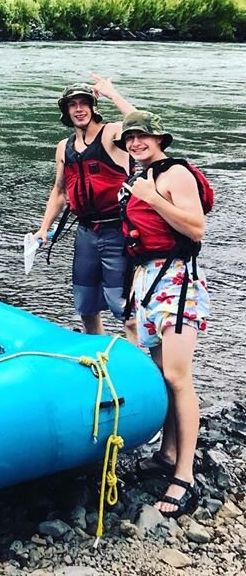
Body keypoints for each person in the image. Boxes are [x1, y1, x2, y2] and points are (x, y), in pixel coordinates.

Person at [118, 110, 211, 518]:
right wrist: (130, 304)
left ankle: (185, 475)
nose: (136, 144)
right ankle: (168, 452)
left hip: (178, 280)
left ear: (159, 140)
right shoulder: (141, 175)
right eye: (130, 139)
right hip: (147, 280)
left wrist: (153, 198)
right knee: (162, 373)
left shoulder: (175, 174)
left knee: (177, 377)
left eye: (142, 137)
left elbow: (197, 228)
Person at [32, 75, 136, 335]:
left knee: (125, 308)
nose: (79, 109)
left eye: (84, 103)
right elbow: (59, 192)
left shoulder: (112, 134)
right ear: (66, 111)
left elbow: (140, 123)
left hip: (118, 231)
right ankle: (98, 358)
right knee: (86, 306)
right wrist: (44, 228)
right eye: (72, 105)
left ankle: (137, 365)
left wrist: (113, 94)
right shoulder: (63, 147)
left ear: (92, 107)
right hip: (86, 234)